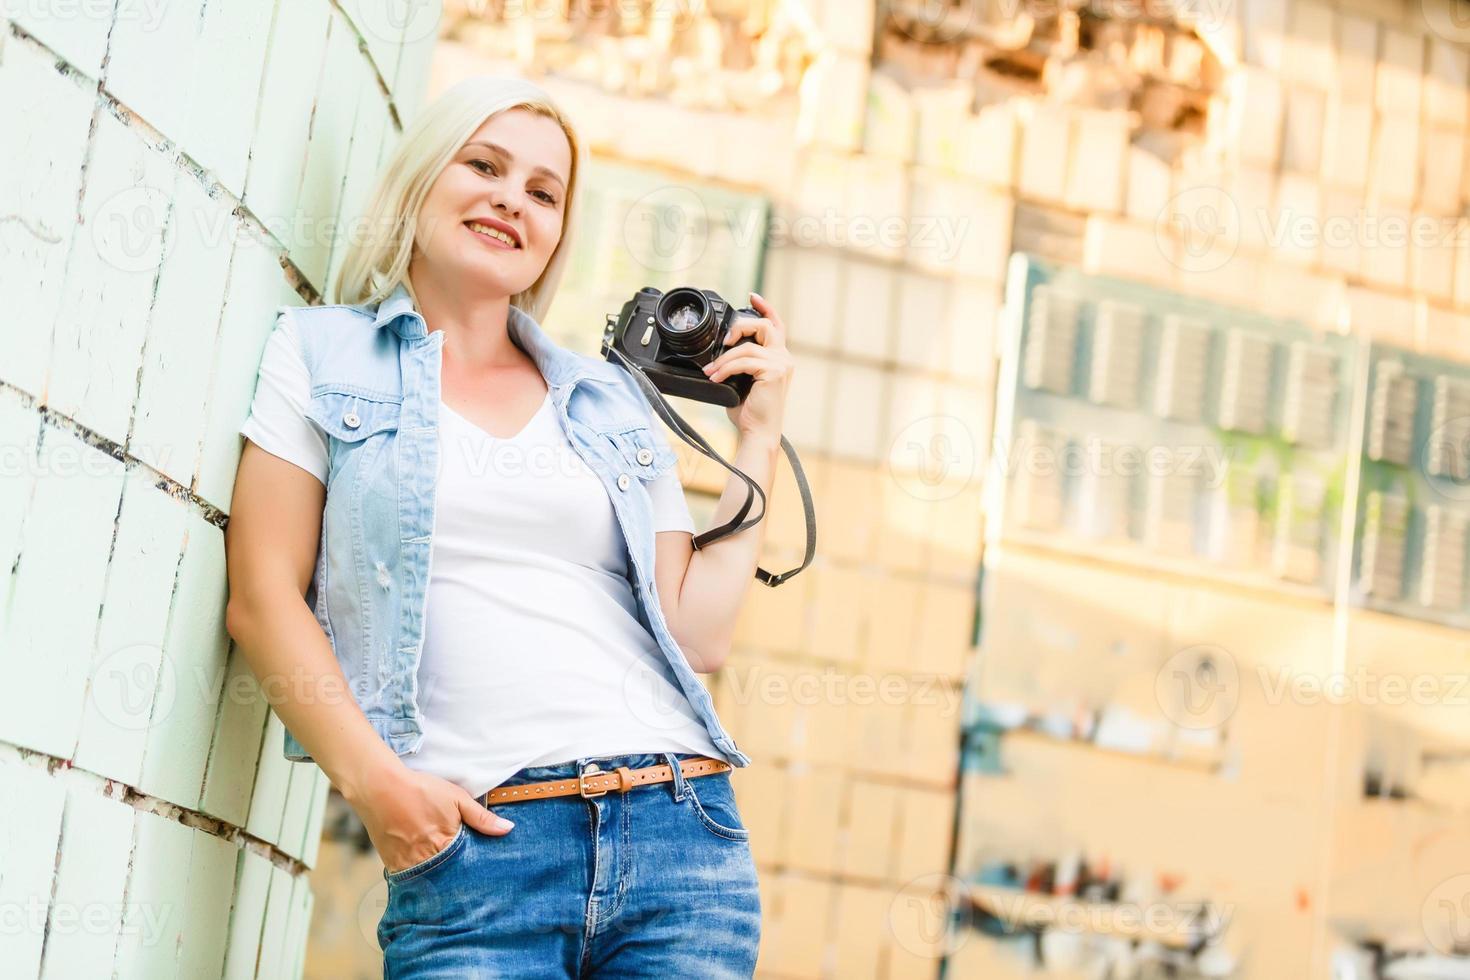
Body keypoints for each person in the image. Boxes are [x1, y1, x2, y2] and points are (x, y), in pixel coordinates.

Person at [223, 75, 795, 977]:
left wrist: (757, 441)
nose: (509, 200)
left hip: (680, 835)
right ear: (419, 181)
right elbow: (262, 597)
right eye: (483, 165)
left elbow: (699, 632)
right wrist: (379, 790)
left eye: (543, 191)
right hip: (479, 852)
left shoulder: (612, 401)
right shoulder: (321, 355)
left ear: (558, 234)